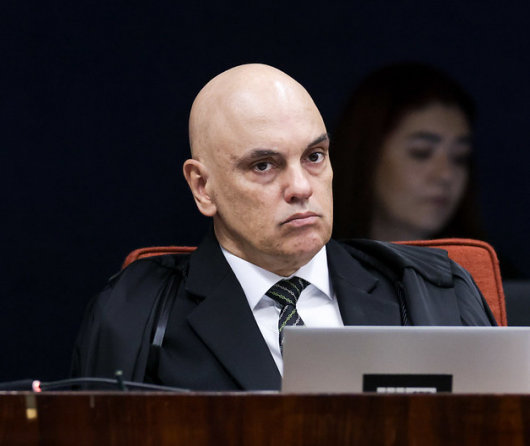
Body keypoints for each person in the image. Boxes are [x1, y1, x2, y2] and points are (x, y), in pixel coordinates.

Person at [71, 64, 495, 392]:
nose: (301, 187)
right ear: (203, 187)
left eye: (314, 157)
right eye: (264, 165)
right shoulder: (134, 314)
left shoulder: (431, 289)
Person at [331, 62, 485, 242]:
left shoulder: (488, 261)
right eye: (421, 152)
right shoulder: (314, 258)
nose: (446, 175)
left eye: (460, 157)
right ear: (367, 155)